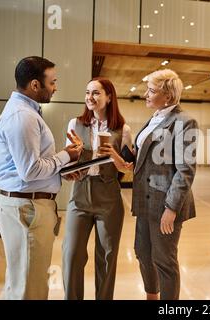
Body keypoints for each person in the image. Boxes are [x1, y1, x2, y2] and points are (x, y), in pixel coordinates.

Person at [0, 56, 83, 300]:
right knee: (28, 289)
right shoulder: (22, 116)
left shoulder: (26, 112)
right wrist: (66, 155)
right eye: (52, 82)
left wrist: (61, 169)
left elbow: (30, 166)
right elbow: (30, 171)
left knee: (23, 282)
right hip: (27, 209)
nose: (55, 88)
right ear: (35, 85)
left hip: (28, 205)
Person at [62, 77, 133, 300]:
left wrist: (115, 157)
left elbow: (128, 171)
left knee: (107, 258)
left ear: (109, 97)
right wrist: (71, 162)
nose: (89, 97)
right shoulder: (75, 124)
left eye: (95, 93)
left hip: (109, 198)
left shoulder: (123, 129)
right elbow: (67, 163)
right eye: (87, 93)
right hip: (80, 196)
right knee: (71, 255)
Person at [132, 69, 198, 300]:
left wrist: (171, 208)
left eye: (151, 90)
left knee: (164, 261)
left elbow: (185, 169)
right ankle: (152, 296)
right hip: (144, 201)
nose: (145, 94)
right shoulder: (155, 118)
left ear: (168, 96)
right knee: (142, 253)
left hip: (164, 204)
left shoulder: (185, 121)